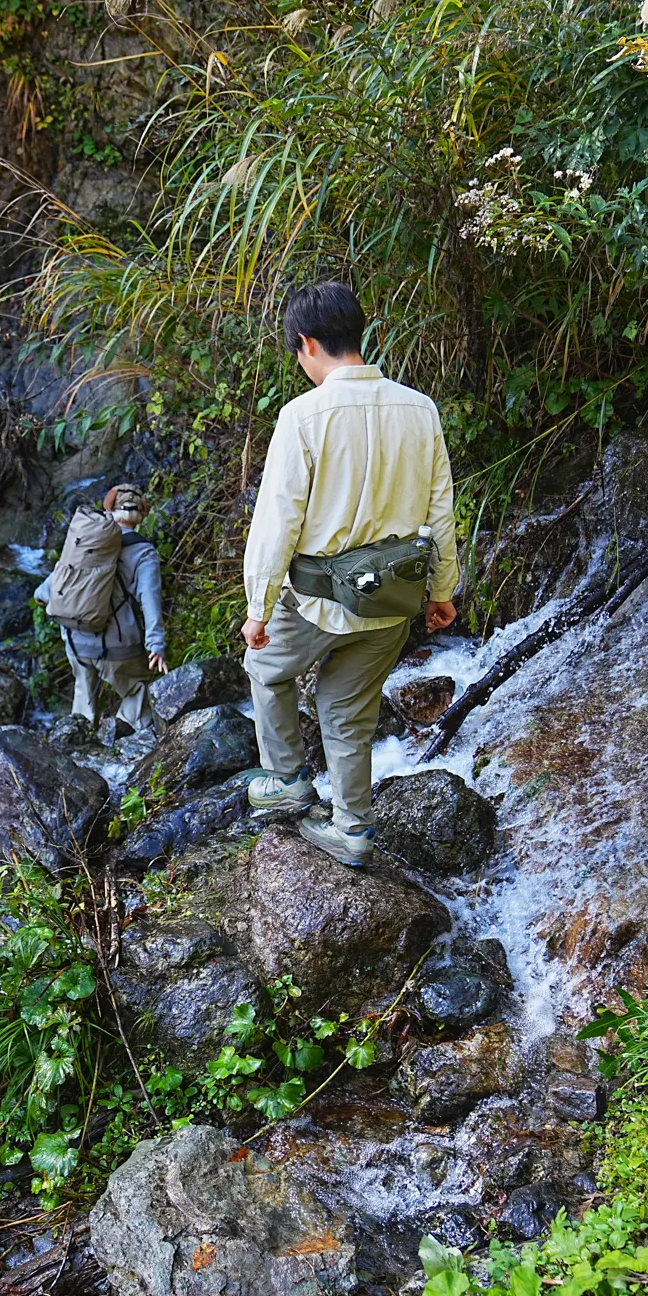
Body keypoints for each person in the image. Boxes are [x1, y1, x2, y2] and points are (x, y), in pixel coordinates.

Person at [242, 281, 460, 867]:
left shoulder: (302, 417)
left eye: (297, 352)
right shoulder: (419, 408)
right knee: (347, 708)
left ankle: (286, 780)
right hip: (393, 599)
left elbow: (277, 522)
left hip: (317, 601)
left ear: (308, 344)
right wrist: (442, 592)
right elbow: (440, 509)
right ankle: (352, 828)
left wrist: (258, 608)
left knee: (265, 666)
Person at [34, 483, 170, 732]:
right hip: (119, 647)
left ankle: (77, 751)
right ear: (141, 515)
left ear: (109, 510)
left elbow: (44, 592)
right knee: (136, 691)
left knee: (82, 704)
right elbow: (150, 600)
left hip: (77, 642)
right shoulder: (143, 552)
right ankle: (122, 751)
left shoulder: (85, 544)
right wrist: (155, 645)